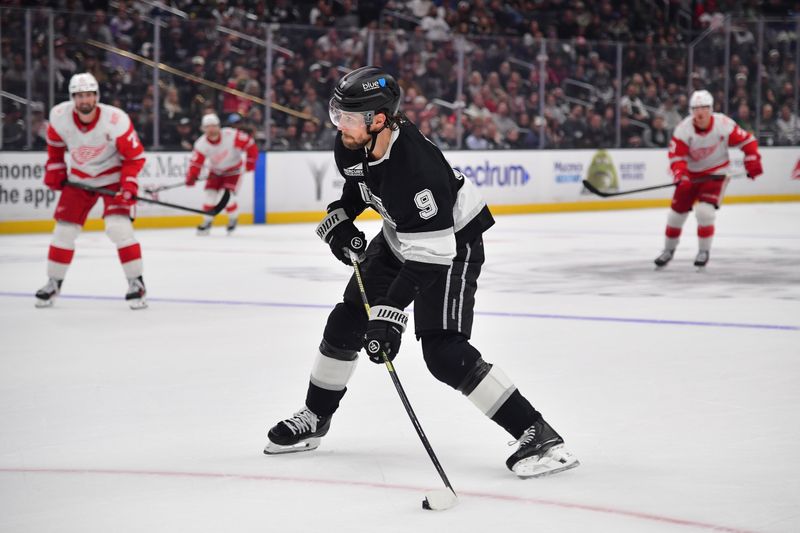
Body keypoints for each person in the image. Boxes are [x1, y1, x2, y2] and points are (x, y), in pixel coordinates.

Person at [264, 66, 579, 479]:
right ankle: (315, 417)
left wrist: (390, 314)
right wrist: (341, 222)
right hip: (403, 234)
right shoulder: (353, 143)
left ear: (379, 120)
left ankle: (536, 433)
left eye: (350, 117)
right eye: (337, 114)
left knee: (442, 350)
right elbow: (357, 189)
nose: (340, 125)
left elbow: (433, 255)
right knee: (346, 321)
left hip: (452, 244)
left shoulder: (416, 171)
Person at [35, 72, 147, 309]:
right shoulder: (59, 116)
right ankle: (53, 282)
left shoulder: (116, 120)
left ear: (96, 96)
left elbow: (135, 158)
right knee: (63, 231)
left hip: (112, 178)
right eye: (79, 96)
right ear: (72, 98)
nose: (84, 101)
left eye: (88, 95)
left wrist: (128, 184)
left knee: (119, 228)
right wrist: (55, 169)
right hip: (79, 179)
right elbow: (55, 147)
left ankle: (136, 283)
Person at [654, 90, 763, 269]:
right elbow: (676, 157)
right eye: (696, 108)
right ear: (691, 111)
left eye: (704, 107)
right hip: (690, 175)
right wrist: (680, 175)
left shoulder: (723, 124)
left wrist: (752, 159)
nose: (700, 112)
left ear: (711, 109)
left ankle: (703, 251)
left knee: (705, 212)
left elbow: (748, 141)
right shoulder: (683, 129)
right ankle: (668, 250)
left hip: (715, 174)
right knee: (675, 216)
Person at [184, 113, 257, 235]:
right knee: (210, 196)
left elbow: (250, 145)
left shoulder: (230, 135)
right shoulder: (201, 144)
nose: (211, 129)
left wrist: (250, 162)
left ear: (218, 126)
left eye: (213, 126)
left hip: (233, 171)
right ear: (203, 128)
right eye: (208, 127)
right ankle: (207, 221)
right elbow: (196, 163)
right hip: (215, 171)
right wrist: (192, 176)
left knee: (226, 196)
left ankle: (233, 218)